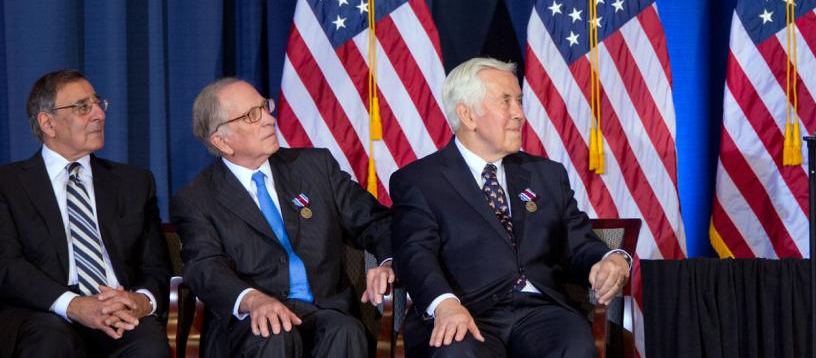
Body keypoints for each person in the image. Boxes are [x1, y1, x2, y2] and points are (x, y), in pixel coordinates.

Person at [390, 57, 631, 358]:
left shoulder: (546, 175)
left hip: (541, 313)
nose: (519, 114)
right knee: (456, 351)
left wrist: (611, 258)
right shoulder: (419, 180)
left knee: (575, 344)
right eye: (506, 102)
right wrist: (445, 304)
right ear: (468, 115)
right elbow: (415, 254)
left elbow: (577, 244)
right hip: (466, 310)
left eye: (518, 100)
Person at [171, 78, 395, 357]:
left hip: (326, 312)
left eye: (265, 107)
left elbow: (375, 221)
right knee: (274, 332)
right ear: (222, 141)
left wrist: (387, 261)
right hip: (251, 324)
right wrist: (251, 300)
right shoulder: (197, 199)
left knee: (345, 330)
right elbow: (204, 266)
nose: (269, 119)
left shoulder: (315, 168)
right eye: (252, 115)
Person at [0, 70, 170, 358]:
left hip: (118, 311)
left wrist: (140, 301)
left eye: (98, 104)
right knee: (49, 342)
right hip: (44, 313)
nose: (99, 115)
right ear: (48, 123)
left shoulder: (135, 182)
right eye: (82, 107)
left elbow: (156, 267)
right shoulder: (9, 184)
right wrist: (73, 305)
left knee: (149, 346)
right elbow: (7, 265)